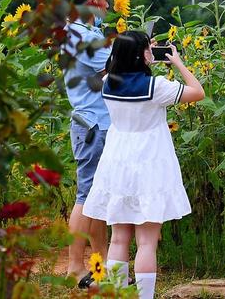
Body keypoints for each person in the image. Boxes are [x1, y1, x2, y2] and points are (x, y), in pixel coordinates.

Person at [83, 31, 204, 299]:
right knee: (147, 241)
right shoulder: (156, 87)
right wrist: (179, 63)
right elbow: (198, 92)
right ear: (141, 55)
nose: (153, 51)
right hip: (150, 161)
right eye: (150, 48)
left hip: (117, 161)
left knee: (118, 238)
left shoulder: (106, 82)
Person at [63, 0, 111, 284]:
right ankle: (74, 267)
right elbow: (117, 62)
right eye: (106, 0)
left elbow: (106, 67)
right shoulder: (80, 35)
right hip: (92, 123)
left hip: (94, 121)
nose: (108, 5)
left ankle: (102, 265)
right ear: (92, 1)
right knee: (87, 195)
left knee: (98, 195)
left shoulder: (83, 32)